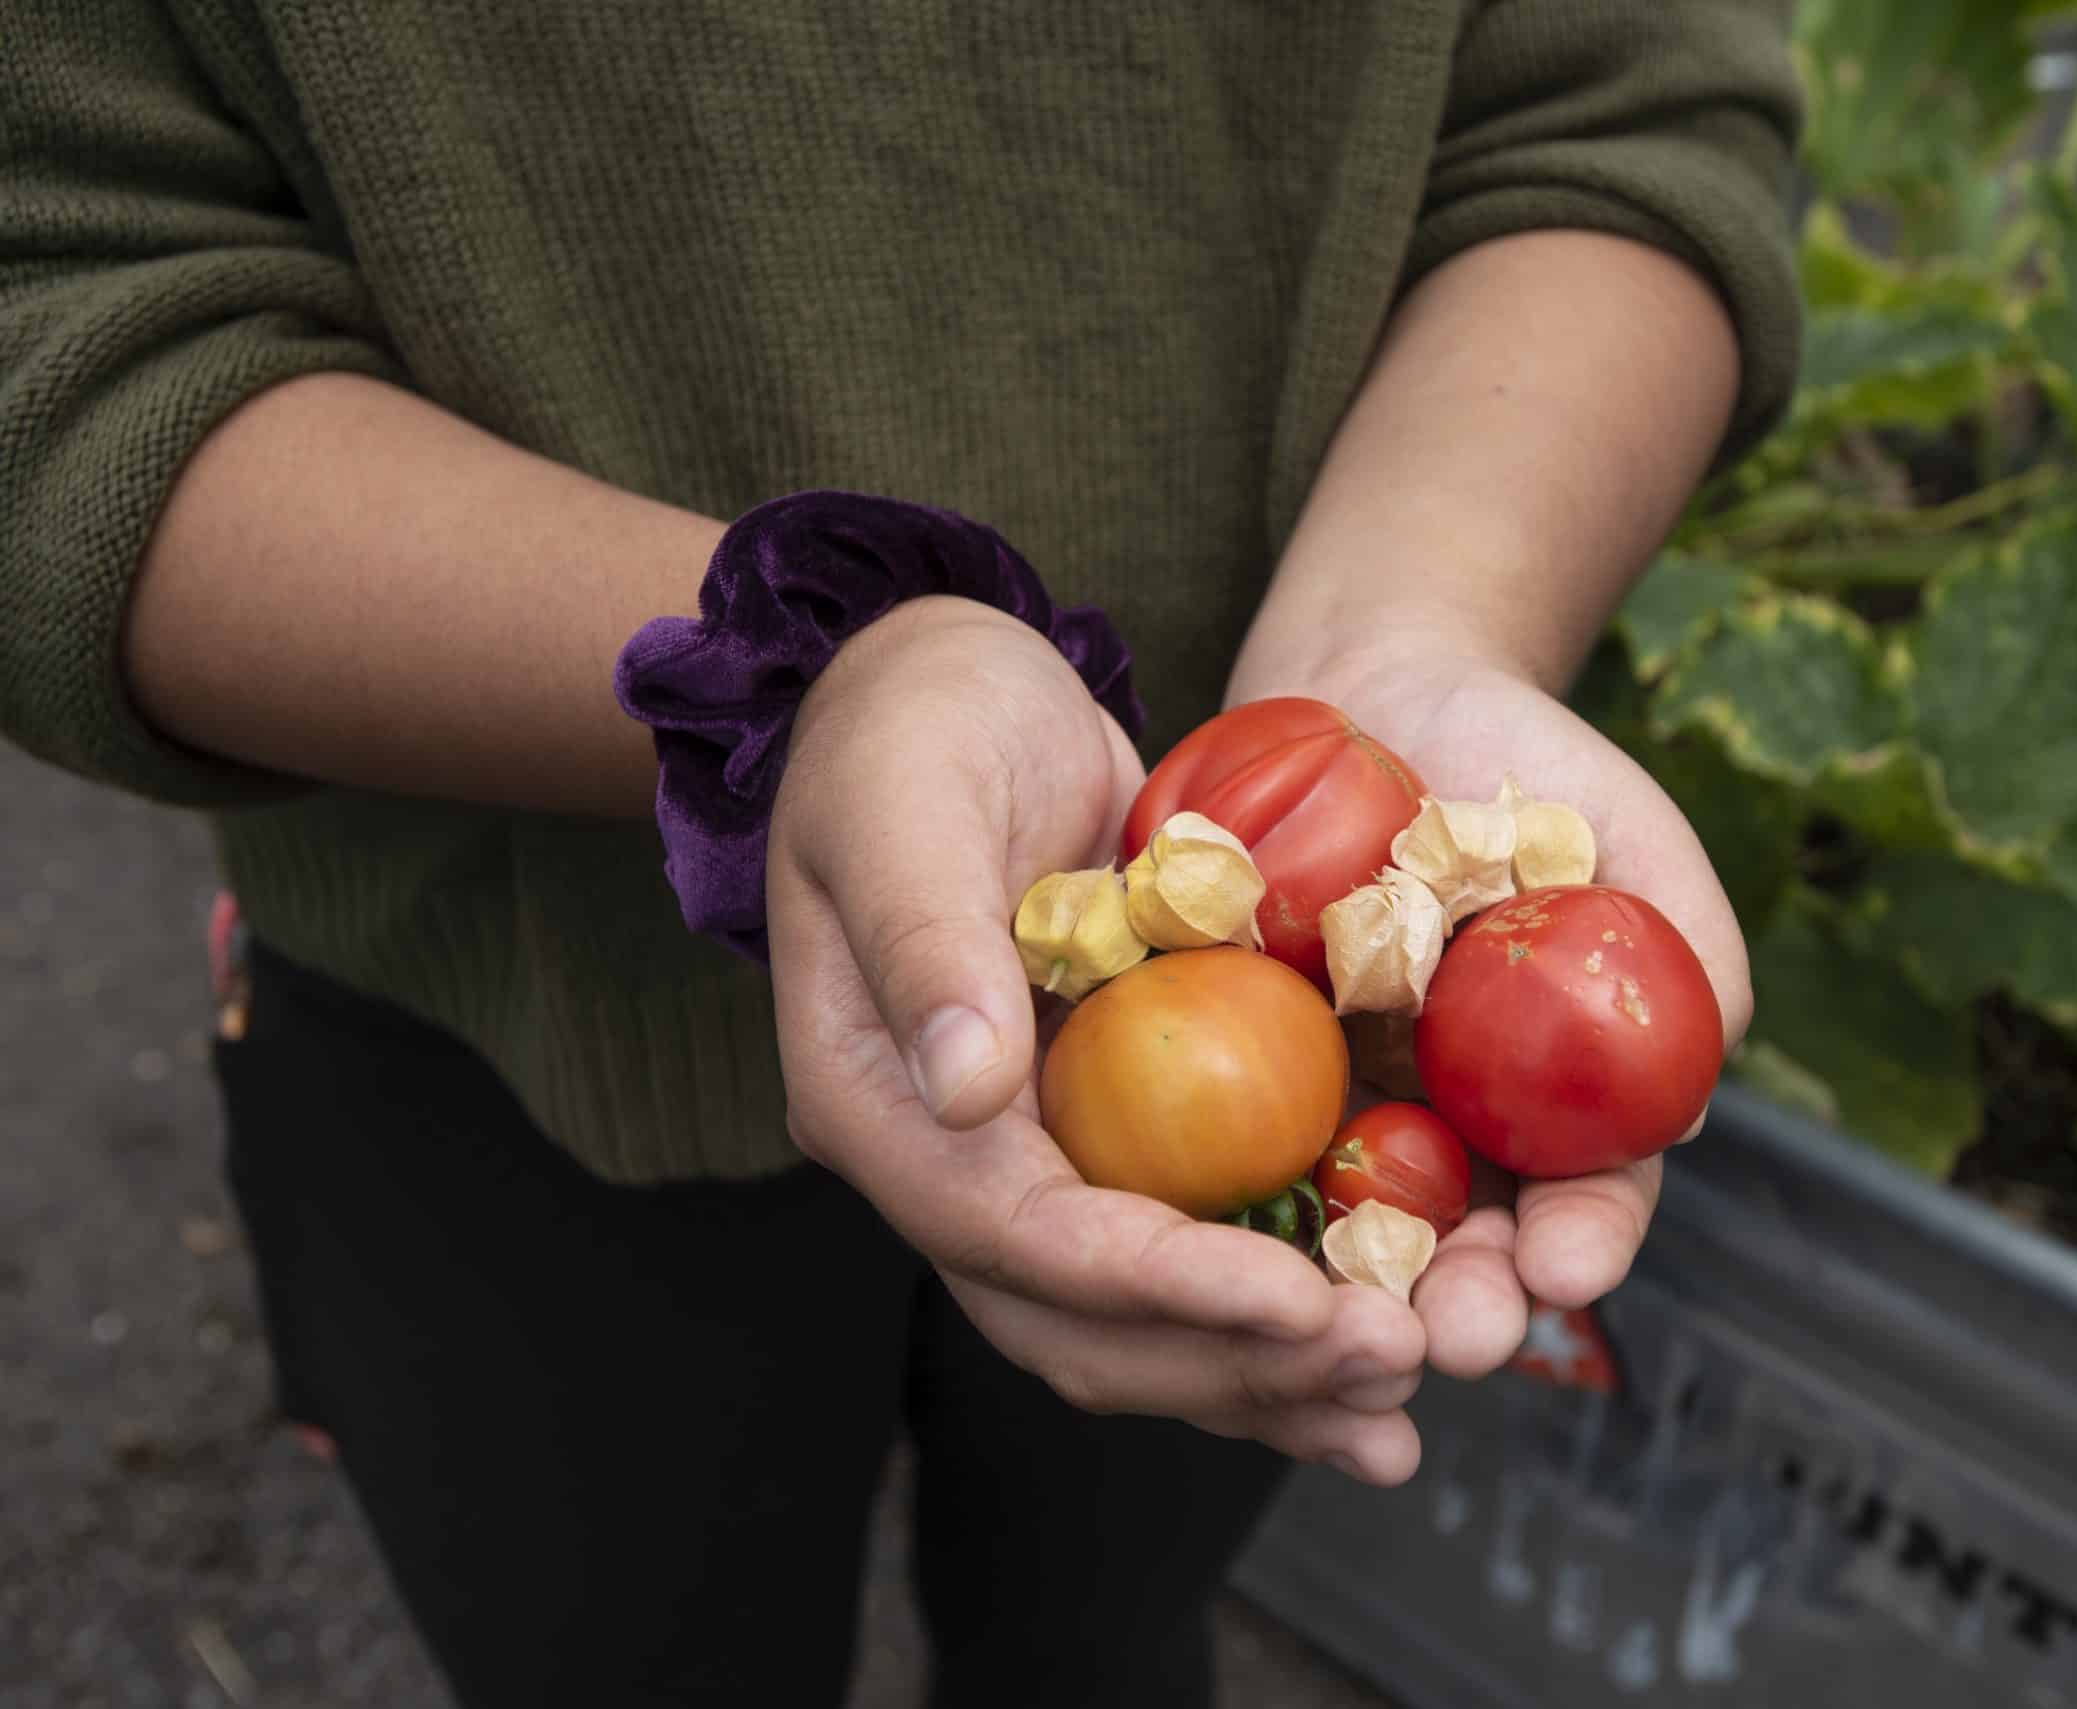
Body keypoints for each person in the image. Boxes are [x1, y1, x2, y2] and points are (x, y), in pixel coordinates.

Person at [0, 3, 1802, 1704]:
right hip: (499, 1047)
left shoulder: (1309, 1118)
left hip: (1232, 1148)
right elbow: (61, 329)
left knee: (1110, 1620)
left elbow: (1620, 100)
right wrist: (790, 682)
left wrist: (1422, 617)